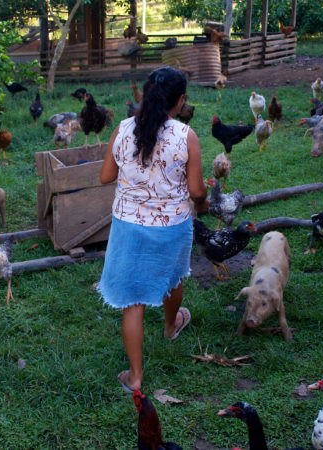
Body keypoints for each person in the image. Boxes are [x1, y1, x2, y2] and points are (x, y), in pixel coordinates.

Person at [98, 66, 208, 392]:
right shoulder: (186, 136)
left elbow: (105, 177)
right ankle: (172, 325)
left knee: (134, 303)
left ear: (146, 95)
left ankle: (135, 377)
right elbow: (197, 191)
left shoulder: (121, 130)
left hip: (127, 226)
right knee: (172, 276)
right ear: (181, 100)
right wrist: (201, 202)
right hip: (170, 226)